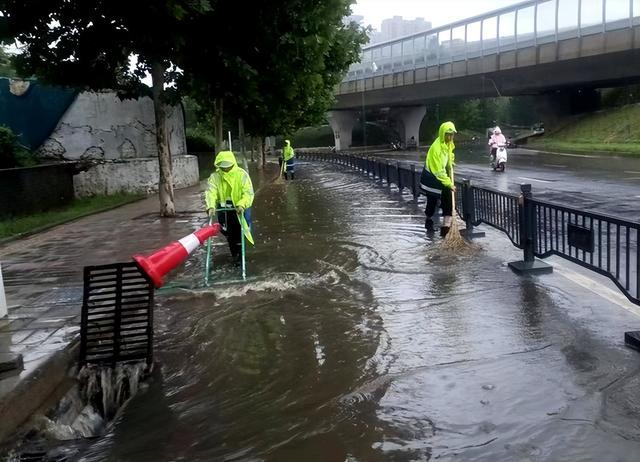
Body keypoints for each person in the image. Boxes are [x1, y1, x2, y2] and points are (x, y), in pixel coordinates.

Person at [205, 151, 255, 259]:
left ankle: (240, 255)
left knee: (241, 232)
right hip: (224, 210)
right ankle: (234, 252)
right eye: (223, 167)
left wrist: (242, 204)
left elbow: (248, 193)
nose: (226, 169)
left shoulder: (242, 175)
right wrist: (210, 206)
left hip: (240, 208)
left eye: (228, 166)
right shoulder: (214, 177)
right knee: (228, 232)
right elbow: (210, 192)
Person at [420, 121, 457, 237]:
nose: (450, 137)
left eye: (452, 134)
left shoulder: (448, 143)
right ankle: (429, 219)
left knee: (447, 197)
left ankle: (446, 227)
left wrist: (451, 162)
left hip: (438, 176)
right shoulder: (436, 148)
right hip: (431, 178)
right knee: (432, 199)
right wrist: (449, 183)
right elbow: (438, 171)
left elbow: (449, 154)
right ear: (442, 134)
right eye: (448, 134)